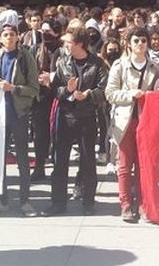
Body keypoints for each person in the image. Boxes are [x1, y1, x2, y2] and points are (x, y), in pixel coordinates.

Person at [42, 26, 108, 217]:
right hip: (65, 115)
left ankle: (88, 202)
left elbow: (103, 90)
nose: (65, 45)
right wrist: (68, 91)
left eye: (68, 42)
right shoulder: (63, 62)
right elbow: (55, 91)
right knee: (59, 161)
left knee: (88, 161)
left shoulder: (97, 64)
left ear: (79, 44)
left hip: (87, 117)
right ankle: (57, 203)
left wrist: (88, 95)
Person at [105, 27, 159, 223]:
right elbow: (110, 93)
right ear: (129, 43)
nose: (140, 44)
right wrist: (130, 94)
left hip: (146, 119)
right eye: (136, 41)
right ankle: (126, 204)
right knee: (125, 165)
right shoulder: (120, 66)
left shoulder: (154, 66)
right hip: (125, 120)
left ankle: (143, 204)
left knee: (144, 165)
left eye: (143, 41)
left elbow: (156, 92)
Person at [0, 23, 39, 217]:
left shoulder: (26, 58)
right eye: (5, 35)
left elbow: (34, 89)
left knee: (23, 160)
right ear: (0, 39)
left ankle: (25, 201)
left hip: (19, 114)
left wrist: (14, 88)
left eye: (12, 35)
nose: (9, 38)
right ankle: (1, 199)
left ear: (18, 38)